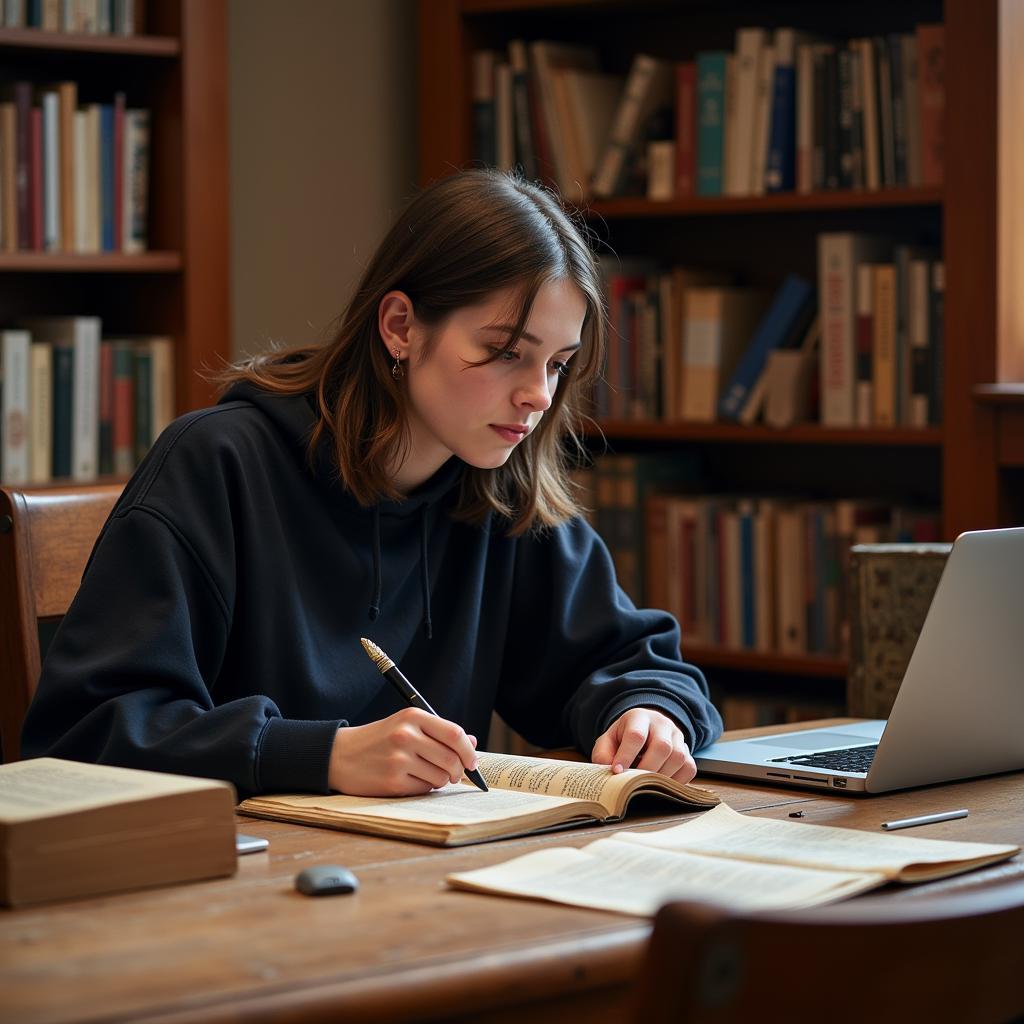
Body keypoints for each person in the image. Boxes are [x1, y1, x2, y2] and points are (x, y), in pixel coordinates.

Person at [21, 169, 723, 798]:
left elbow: (629, 659)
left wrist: (649, 713)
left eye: (559, 364)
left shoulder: (499, 487)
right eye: (505, 353)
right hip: (231, 889)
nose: (537, 396)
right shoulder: (219, 464)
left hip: (418, 885)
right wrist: (320, 754)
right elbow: (86, 733)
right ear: (400, 327)